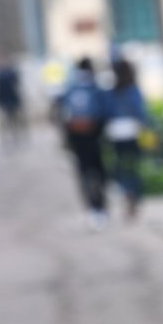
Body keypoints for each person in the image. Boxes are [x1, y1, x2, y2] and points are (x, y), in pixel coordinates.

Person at [60, 58, 108, 230]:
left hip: (82, 140)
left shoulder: (74, 89)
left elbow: (64, 115)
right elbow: (103, 113)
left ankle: (95, 208)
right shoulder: (93, 88)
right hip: (91, 139)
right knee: (96, 174)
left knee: (87, 174)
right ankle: (99, 207)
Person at [103, 58, 147, 219]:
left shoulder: (112, 90)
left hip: (116, 133)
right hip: (132, 131)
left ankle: (127, 191)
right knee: (134, 165)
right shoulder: (132, 89)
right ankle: (133, 195)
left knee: (121, 164)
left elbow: (107, 111)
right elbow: (140, 111)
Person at [0, 60, 26, 151]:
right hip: (4, 101)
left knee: (16, 119)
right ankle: (10, 138)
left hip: (13, 99)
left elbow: (17, 86)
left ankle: (18, 136)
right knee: (7, 121)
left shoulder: (12, 73)